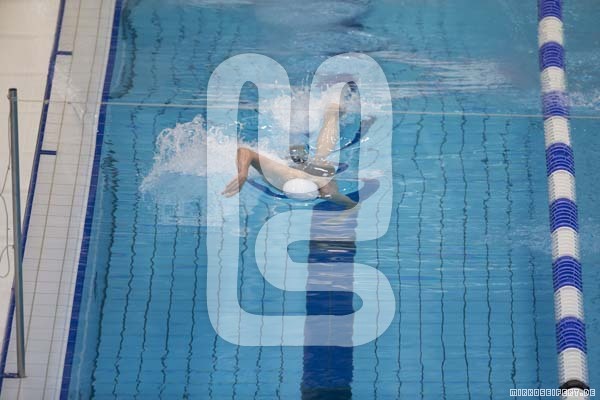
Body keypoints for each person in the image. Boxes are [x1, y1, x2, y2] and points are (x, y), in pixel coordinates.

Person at [222, 103, 358, 208]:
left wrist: (243, 173)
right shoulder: (323, 189)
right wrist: (243, 173)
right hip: (317, 173)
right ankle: (331, 113)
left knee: (316, 156)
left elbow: (245, 151)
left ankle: (330, 114)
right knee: (318, 157)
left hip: (311, 173)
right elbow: (350, 204)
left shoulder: (283, 176)